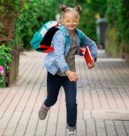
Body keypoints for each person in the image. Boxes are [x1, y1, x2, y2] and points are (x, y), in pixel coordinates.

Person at [38, 5, 98, 136]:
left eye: (74, 21)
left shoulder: (79, 34)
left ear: (78, 20)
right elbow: (59, 56)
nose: (72, 23)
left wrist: (92, 57)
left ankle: (71, 128)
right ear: (63, 21)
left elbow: (91, 44)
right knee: (52, 99)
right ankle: (45, 105)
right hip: (55, 72)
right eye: (68, 21)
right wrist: (67, 71)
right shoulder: (59, 35)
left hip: (70, 74)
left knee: (71, 102)